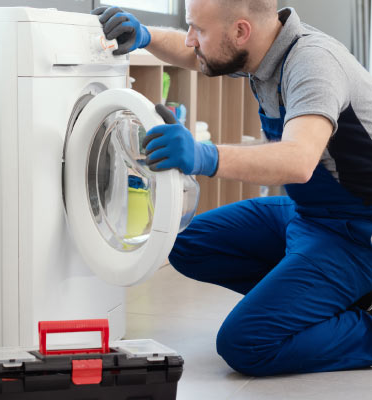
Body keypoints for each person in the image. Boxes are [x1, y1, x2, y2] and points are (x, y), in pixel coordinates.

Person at [94, 0, 372, 377]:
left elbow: (299, 160)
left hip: (357, 235)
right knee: (184, 243)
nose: (191, 39)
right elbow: (200, 57)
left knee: (246, 343)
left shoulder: (313, 64)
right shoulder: (264, 48)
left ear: (242, 31)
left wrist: (202, 156)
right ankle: (320, 301)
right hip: (313, 217)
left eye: (199, 30)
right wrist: (143, 36)